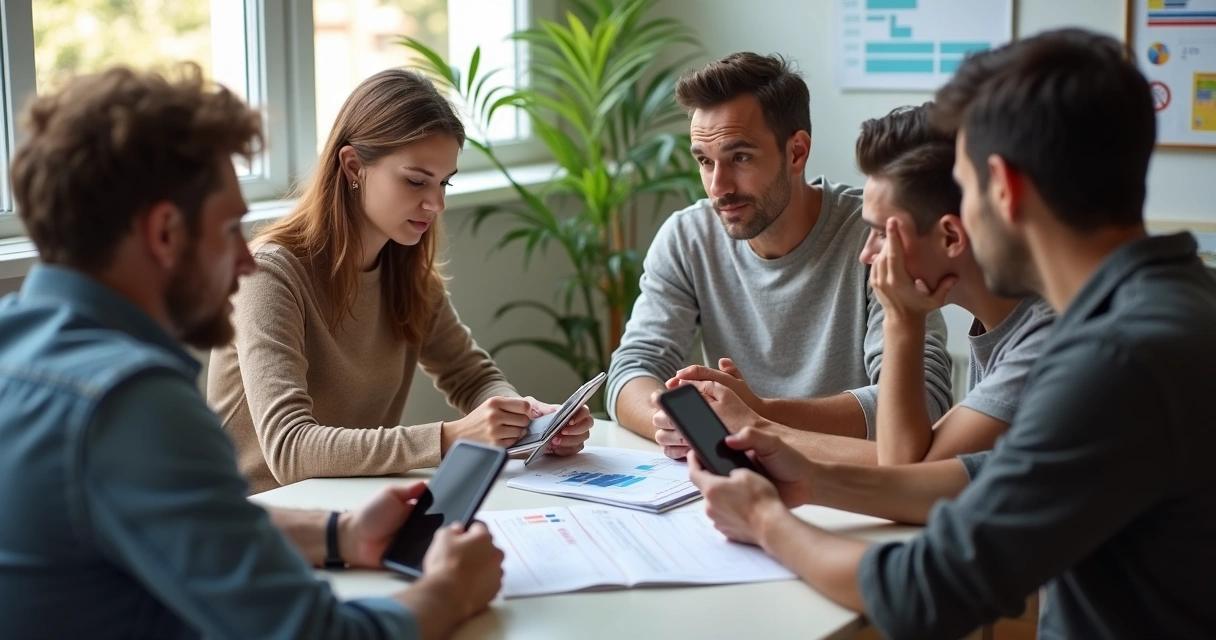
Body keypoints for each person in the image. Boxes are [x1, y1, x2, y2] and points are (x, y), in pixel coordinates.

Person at [685, 29, 1216, 638]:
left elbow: (927, 591)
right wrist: (811, 477)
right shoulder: (1178, 301)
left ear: (1004, 190)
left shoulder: (1115, 359)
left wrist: (766, 521)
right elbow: (992, 476)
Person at [0, 65, 504, 639]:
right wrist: (448, 590)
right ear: (165, 232)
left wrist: (341, 533)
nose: (245, 259)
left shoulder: (17, 346)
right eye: (230, 227)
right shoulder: (131, 405)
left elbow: (186, 523)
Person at [208, 69, 592, 494]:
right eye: (416, 181)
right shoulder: (269, 276)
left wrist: (528, 420)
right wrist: (450, 438)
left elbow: (472, 377)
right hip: (259, 520)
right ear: (353, 165)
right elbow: (290, 450)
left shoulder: (407, 273)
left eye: (444, 182)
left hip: (355, 508)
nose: (436, 203)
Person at [665, 103, 1055, 465]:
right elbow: (922, 462)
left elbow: (907, 469)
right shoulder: (999, 328)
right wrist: (757, 424)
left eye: (880, 233)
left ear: (951, 238)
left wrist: (903, 319)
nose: (867, 254)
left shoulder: (1042, 339)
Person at [607, 52, 953, 459]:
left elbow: (924, 401)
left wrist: (758, 417)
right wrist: (673, 422)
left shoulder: (875, 235)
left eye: (740, 158)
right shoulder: (688, 237)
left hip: (851, 483)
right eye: (704, 160)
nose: (719, 186)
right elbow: (633, 368)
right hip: (738, 480)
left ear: (796, 152)